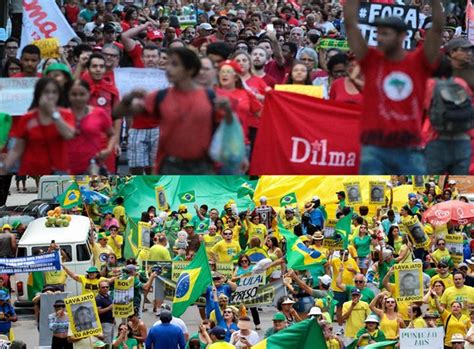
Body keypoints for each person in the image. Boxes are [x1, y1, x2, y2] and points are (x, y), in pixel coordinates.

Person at [343, 0, 444, 174]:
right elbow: (351, 26)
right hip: (374, 149)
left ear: (402, 35)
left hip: (409, 148)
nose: (378, 38)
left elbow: (437, 29)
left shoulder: (419, 61)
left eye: (385, 33)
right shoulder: (371, 59)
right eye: (377, 33)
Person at [115, 47, 235, 174]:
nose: (168, 69)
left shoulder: (210, 97)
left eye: (175, 64)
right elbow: (118, 113)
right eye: (168, 64)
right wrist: (128, 98)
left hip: (203, 167)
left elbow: (229, 128)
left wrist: (228, 112)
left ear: (190, 70)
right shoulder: (159, 96)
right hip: (169, 167)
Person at [0, 78, 75, 175]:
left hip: (58, 172)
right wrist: (4, 167)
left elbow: (69, 135)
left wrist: (54, 114)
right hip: (32, 170)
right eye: (46, 92)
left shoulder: (66, 114)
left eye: (54, 92)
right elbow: (17, 149)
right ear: (38, 94)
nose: (50, 96)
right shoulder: (28, 117)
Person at [67, 79, 116, 174]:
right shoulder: (62, 115)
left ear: (89, 94)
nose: (78, 98)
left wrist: (108, 150)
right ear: (68, 95)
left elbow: (112, 134)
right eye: (74, 94)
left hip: (93, 166)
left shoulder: (99, 113)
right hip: (67, 167)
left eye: (82, 94)